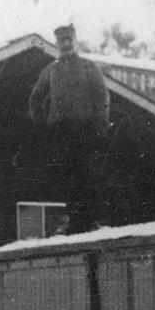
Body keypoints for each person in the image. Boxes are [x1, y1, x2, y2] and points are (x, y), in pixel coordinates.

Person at [28, 24, 111, 232]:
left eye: (69, 40)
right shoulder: (51, 70)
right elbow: (35, 98)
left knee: (87, 176)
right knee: (65, 177)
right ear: (56, 44)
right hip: (61, 133)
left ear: (76, 42)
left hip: (85, 130)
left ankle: (90, 221)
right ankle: (70, 222)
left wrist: (99, 127)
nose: (66, 44)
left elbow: (102, 98)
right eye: (61, 41)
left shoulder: (89, 67)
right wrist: (42, 125)